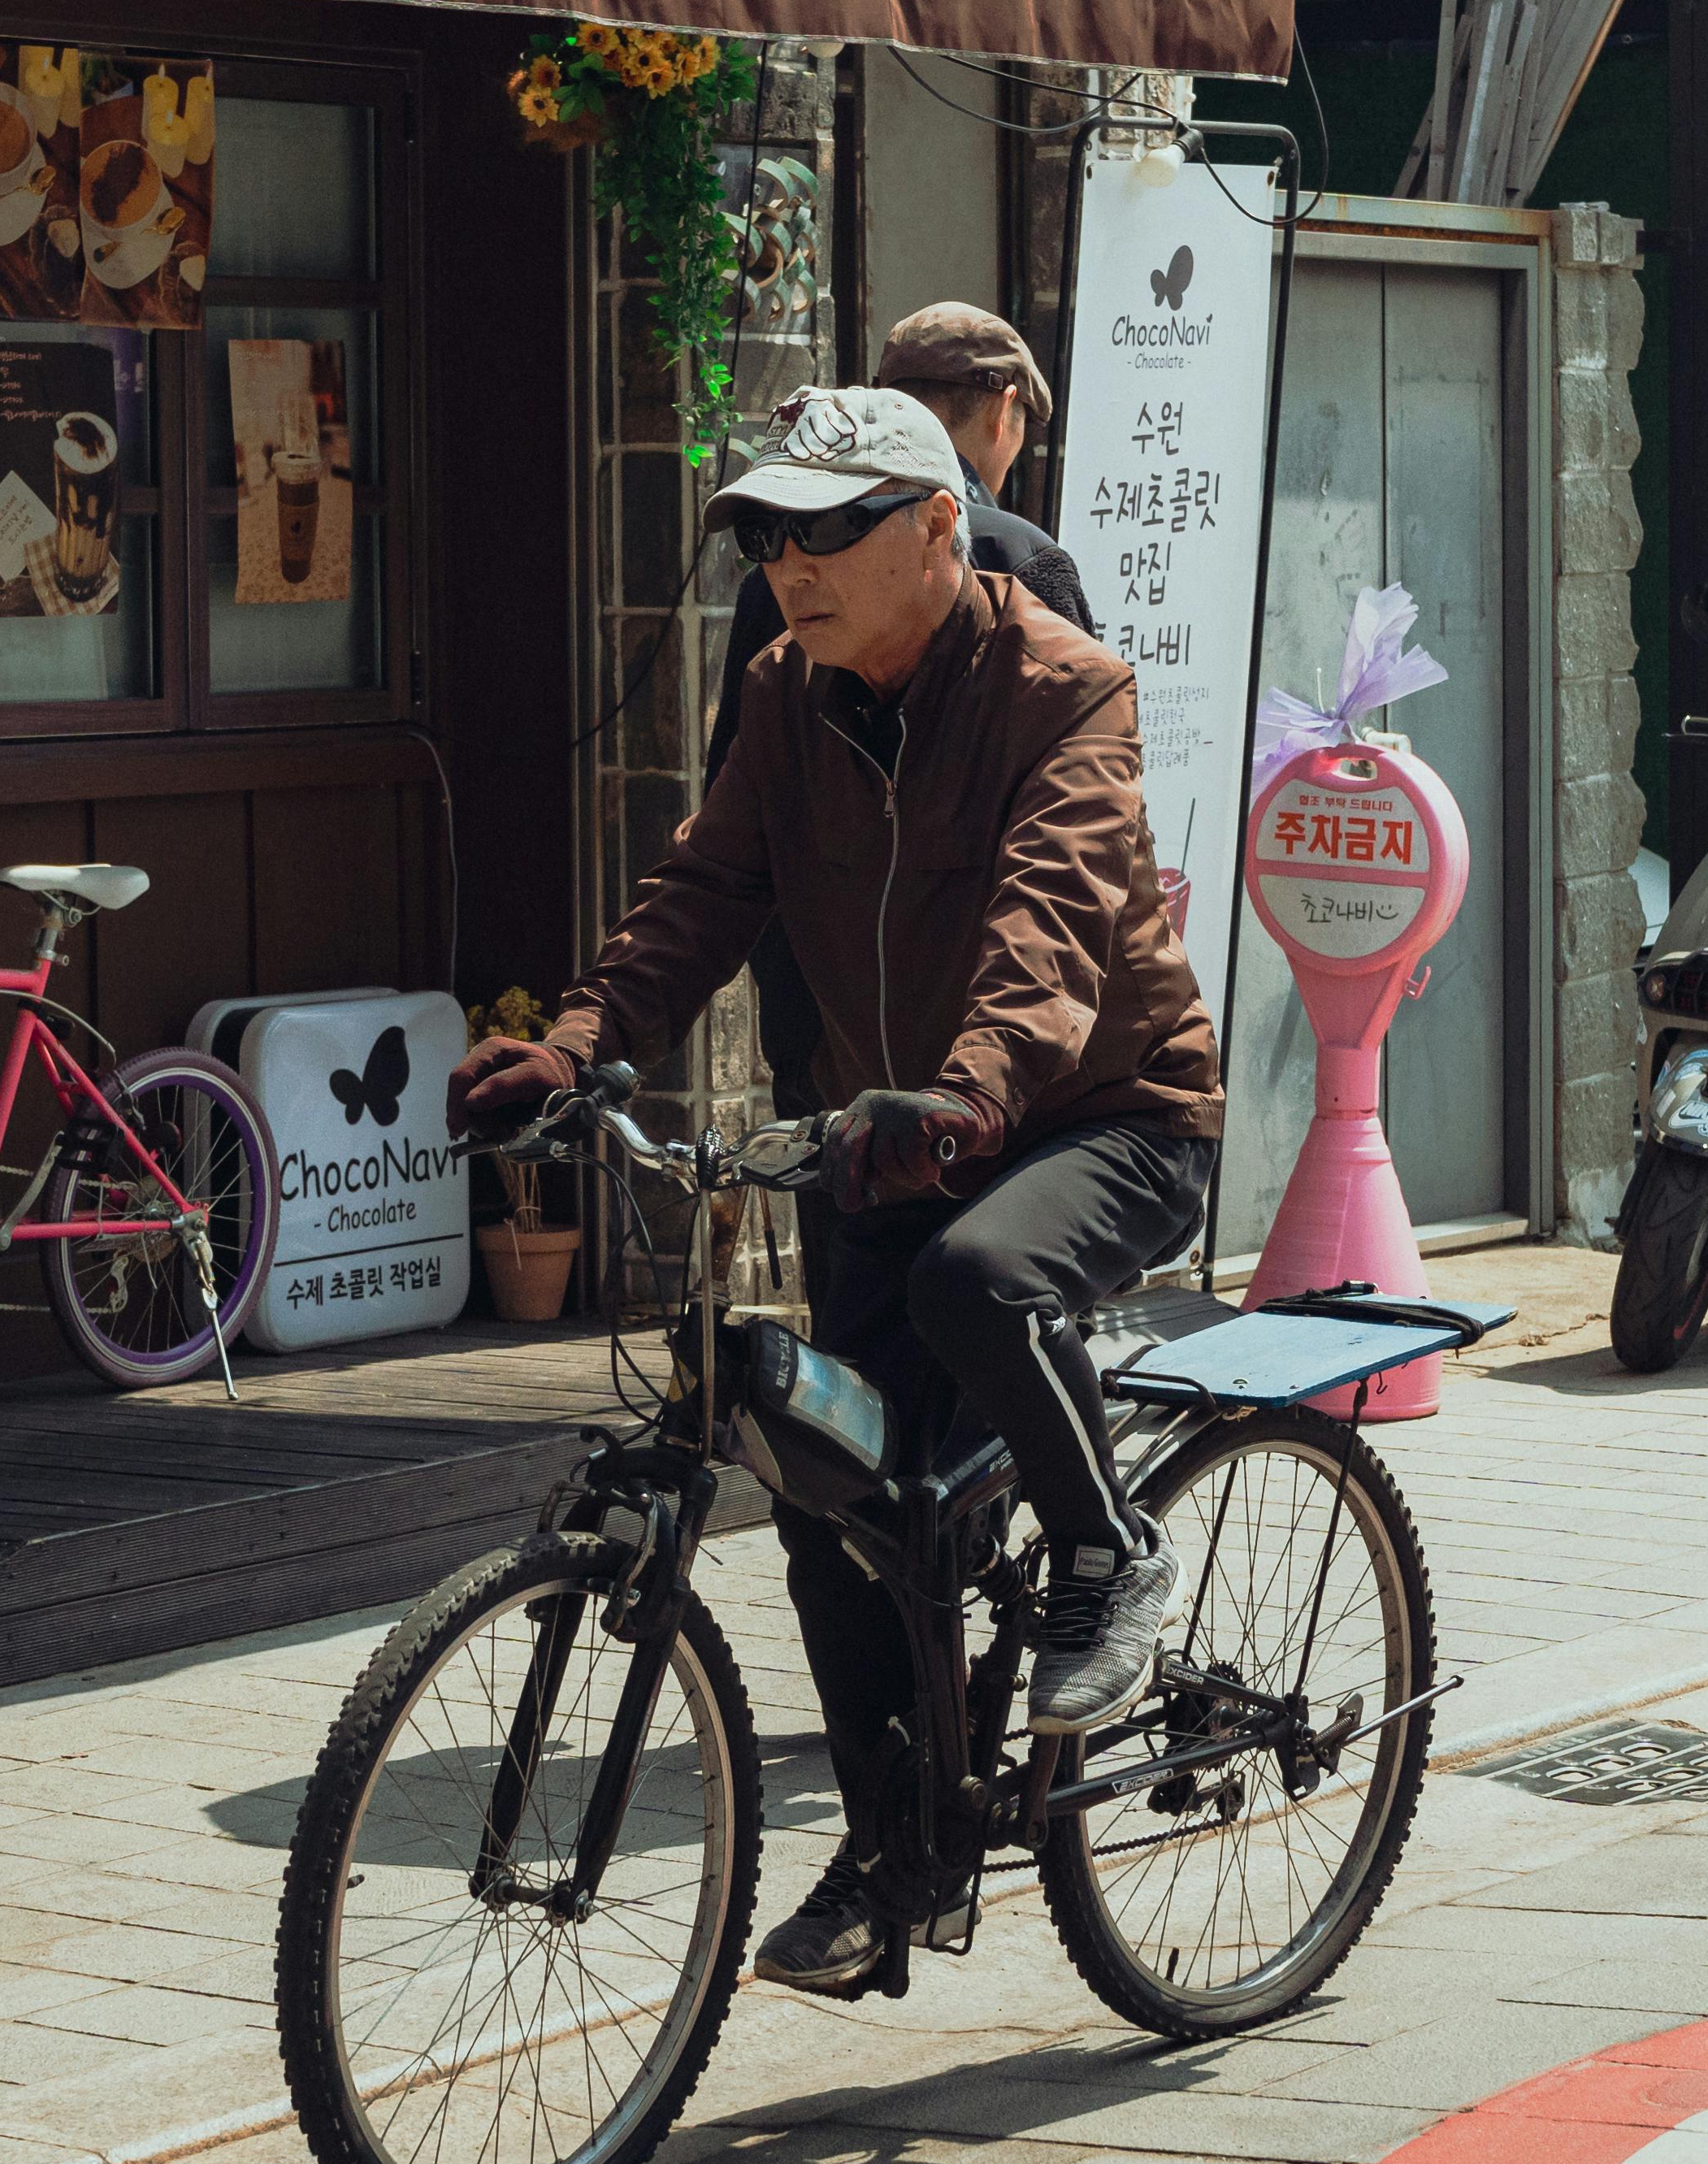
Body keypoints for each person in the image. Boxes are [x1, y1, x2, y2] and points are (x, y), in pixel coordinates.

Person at [451, 389, 1221, 1998]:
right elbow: (706, 888)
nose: (790, 565)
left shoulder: (1062, 689)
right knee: (832, 1503)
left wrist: (975, 1096)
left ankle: (1109, 1549)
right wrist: (583, 1041)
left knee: (975, 1280)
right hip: (893, 1134)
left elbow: (1052, 916)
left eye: (828, 529)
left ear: (940, 525)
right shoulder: (788, 692)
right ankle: (897, 1853)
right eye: (771, 533)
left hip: (1100, 1114)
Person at [704, 306, 1094, 1113]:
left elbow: (738, 845)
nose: (801, 568)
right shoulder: (1024, 558)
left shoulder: (768, 578)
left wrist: (798, 1028)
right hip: (991, 1073)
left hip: (836, 1052)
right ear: (1002, 409)